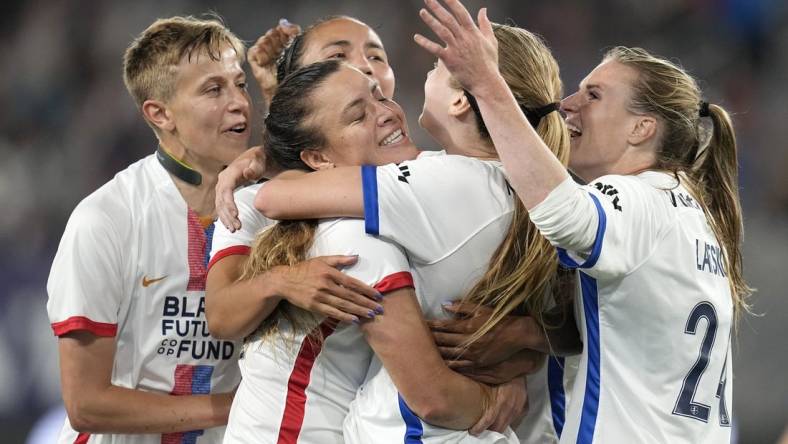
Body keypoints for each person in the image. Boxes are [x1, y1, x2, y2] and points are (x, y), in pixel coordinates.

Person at [411, 0, 752, 442]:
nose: (568, 105)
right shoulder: (692, 211)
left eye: (593, 95)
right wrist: (527, 333)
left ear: (641, 128)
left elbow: (565, 215)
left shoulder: (636, 196)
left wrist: (486, 83)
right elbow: (624, 328)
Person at [249, 21, 578, 443]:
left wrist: (260, 164)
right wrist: (526, 349)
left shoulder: (439, 184)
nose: (423, 75)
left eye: (437, 68)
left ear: (461, 100)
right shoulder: (546, 191)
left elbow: (272, 197)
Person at [220, 60, 514, 443]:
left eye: (380, 96)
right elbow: (431, 393)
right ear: (318, 158)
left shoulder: (409, 188)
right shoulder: (355, 238)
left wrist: (527, 341)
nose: (387, 114)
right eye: (359, 116)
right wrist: (499, 397)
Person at [46, 16, 249, 443]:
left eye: (240, 84)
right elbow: (86, 403)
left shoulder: (265, 208)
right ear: (160, 114)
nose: (239, 103)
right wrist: (239, 406)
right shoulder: (105, 220)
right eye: (214, 89)